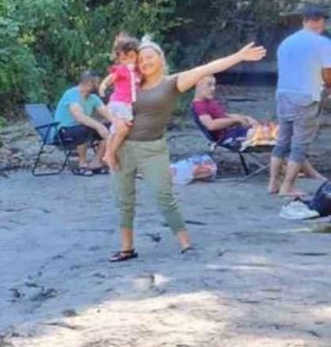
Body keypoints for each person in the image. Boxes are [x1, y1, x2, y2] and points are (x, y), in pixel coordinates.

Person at [108, 37, 266, 262]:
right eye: (141, 59)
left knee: (164, 196)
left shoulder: (172, 83)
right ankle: (127, 248)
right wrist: (111, 148)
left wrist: (239, 57)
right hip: (123, 148)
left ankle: (186, 244)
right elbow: (113, 107)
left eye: (149, 57)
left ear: (161, 59)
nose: (145, 62)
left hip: (152, 149)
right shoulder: (130, 82)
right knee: (124, 200)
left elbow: (207, 68)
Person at [270, 5, 331, 197]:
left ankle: (273, 183)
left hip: (283, 94)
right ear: (320, 21)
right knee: (300, 144)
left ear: (304, 20)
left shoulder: (287, 42)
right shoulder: (322, 43)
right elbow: (328, 72)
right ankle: (287, 186)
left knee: (282, 140)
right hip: (305, 96)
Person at [52, 71, 113, 175]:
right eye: (97, 83)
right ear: (89, 84)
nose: (99, 86)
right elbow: (79, 117)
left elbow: (108, 114)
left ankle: (96, 162)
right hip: (63, 132)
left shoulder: (93, 98)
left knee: (111, 128)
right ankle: (82, 164)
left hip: (82, 128)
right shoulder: (72, 94)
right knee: (83, 129)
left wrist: (120, 123)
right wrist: (99, 126)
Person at [100, 33, 141, 170]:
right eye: (124, 59)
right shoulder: (122, 70)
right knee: (123, 130)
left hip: (127, 104)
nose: (128, 61)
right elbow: (111, 78)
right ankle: (110, 154)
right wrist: (103, 85)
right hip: (120, 103)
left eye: (131, 58)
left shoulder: (137, 72)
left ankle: (108, 154)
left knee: (116, 130)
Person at [192, 75, 260, 145]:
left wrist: (244, 118)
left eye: (214, 85)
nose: (213, 88)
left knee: (263, 129)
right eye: (209, 85)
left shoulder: (209, 101)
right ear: (198, 85)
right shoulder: (199, 106)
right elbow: (211, 125)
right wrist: (236, 121)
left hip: (232, 131)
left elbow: (223, 116)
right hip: (225, 137)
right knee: (262, 134)